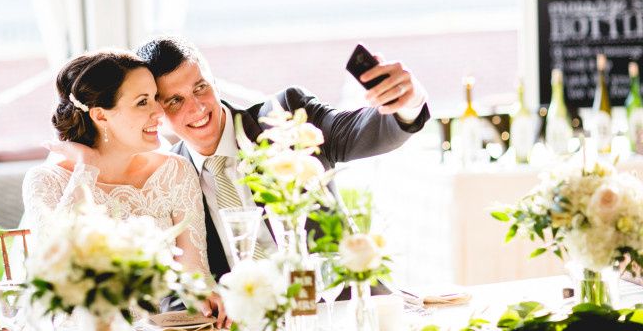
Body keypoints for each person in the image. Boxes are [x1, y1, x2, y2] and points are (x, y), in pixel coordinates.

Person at [136, 36, 430, 280]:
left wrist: (408, 102)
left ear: (213, 81)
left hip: (335, 305)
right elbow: (178, 286)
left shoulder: (284, 116)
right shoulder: (167, 178)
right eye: (175, 100)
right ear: (157, 113)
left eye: (201, 87)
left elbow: (358, 132)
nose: (197, 107)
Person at [22, 50, 230, 328]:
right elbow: (52, 274)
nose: (159, 111)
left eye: (156, 98)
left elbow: (194, 273)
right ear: (101, 116)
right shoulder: (45, 180)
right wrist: (87, 167)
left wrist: (206, 294)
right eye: (143, 102)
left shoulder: (175, 172)